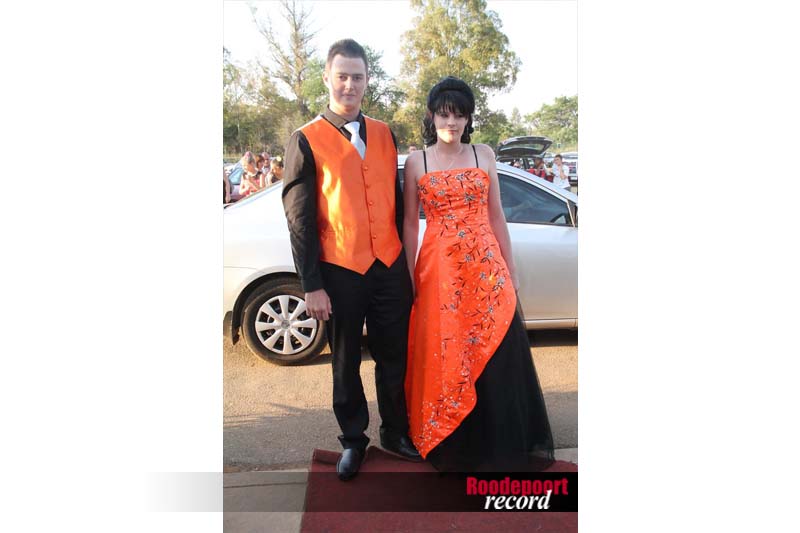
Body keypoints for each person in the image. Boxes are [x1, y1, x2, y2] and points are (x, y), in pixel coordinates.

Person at [281, 39, 421, 481]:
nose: (349, 85)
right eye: (341, 76)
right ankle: (353, 441)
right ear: (327, 77)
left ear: (367, 80)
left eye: (357, 77)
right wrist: (311, 284)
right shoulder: (305, 139)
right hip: (340, 269)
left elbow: (395, 200)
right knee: (345, 361)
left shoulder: (383, 132)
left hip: (389, 265)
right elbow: (299, 219)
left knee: (394, 355)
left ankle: (395, 432)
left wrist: (403, 261)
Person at [402, 76, 554, 472]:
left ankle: (500, 440)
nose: (451, 123)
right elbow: (409, 224)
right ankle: (454, 440)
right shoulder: (417, 161)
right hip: (440, 271)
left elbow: (496, 214)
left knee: (494, 347)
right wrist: (409, 274)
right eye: (443, 115)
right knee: (449, 349)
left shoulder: (483, 154)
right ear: (432, 117)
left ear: (469, 118)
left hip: (486, 268)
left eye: (459, 115)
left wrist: (510, 268)